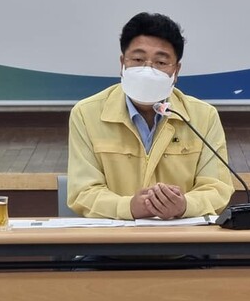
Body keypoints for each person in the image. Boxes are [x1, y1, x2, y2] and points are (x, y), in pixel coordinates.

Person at [67, 12, 234, 220]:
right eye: (138, 59)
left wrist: (184, 206)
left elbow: (217, 188)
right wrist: (128, 207)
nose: (148, 70)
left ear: (176, 71)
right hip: (112, 238)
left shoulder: (203, 116)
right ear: (122, 63)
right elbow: (82, 191)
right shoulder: (86, 113)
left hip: (182, 238)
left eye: (161, 62)